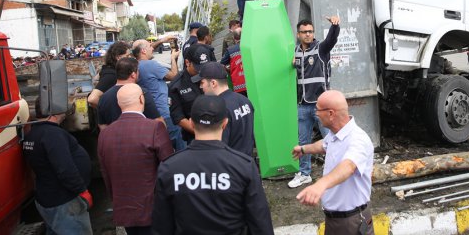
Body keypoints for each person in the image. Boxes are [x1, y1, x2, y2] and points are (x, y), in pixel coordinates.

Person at [152, 95, 274, 235]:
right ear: (225, 123)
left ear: (191, 123)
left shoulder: (169, 168)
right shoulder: (243, 166)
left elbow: (161, 226)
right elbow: (260, 222)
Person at [293, 90, 374, 235]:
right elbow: (323, 145)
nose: (316, 113)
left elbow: (348, 166)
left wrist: (320, 185)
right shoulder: (335, 134)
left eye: (318, 109)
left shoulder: (358, 139)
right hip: (335, 220)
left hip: (351, 222)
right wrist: (303, 149)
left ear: (331, 114)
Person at [98, 84, 173, 235]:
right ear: (141, 99)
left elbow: (105, 174)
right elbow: (169, 168)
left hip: (125, 210)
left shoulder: (105, 134)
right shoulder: (155, 128)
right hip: (153, 209)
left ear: (119, 104)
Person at [22, 102, 93, 234]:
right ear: (54, 112)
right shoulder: (52, 134)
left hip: (48, 198)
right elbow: (65, 168)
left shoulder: (33, 134)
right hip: (64, 202)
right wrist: (82, 191)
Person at [289, 15, 341, 189]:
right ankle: (304, 174)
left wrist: (335, 25)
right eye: (304, 32)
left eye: (310, 31)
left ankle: (338, 172)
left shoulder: (321, 49)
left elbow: (331, 40)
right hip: (302, 104)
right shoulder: (296, 51)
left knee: (329, 140)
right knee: (303, 142)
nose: (308, 35)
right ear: (298, 34)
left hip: (321, 105)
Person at [194, 61, 255, 157]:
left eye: (202, 82)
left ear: (213, 83)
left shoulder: (218, 108)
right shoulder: (244, 100)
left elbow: (220, 147)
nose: (201, 87)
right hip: (247, 162)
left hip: (230, 165)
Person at [133, 38, 184, 150]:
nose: (152, 48)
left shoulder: (135, 65)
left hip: (150, 112)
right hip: (164, 112)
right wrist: (173, 58)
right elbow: (174, 76)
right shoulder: (150, 65)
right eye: (149, 46)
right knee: (179, 142)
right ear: (143, 51)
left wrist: (163, 40)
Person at [97, 57, 163, 129]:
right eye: (138, 71)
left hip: (114, 138)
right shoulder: (141, 93)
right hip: (140, 137)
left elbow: (103, 126)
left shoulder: (103, 97)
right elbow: (157, 121)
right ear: (133, 74)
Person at [168, 44, 212, 144]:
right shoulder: (176, 85)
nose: (202, 72)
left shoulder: (212, 74)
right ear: (187, 62)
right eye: (198, 68)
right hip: (195, 137)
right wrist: (203, 134)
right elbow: (179, 118)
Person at [88, 41, 131, 108]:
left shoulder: (110, 70)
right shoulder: (111, 75)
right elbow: (92, 99)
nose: (130, 58)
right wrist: (109, 111)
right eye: (127, 56)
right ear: (118, 57)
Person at [220, 28, 247, 94]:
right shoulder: (250, 46)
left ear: (234, 39)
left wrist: (229, 69)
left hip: (239, 86)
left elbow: (221, 65)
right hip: (253, 82)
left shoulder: (230, 50)